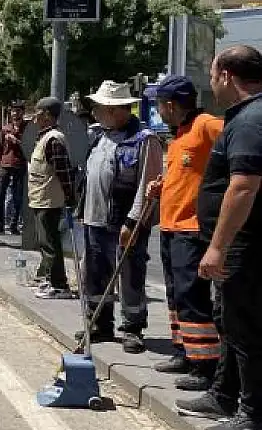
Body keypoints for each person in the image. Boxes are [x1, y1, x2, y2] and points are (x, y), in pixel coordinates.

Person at [175, 45, 262, 430]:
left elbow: (243, 187)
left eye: (212, 74)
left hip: (242, 244)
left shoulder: (250, 121)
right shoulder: (244, 117)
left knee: (245, 328)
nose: (210, 82)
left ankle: (253, 415)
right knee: (229, 321)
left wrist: (218, 247)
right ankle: (225, 395)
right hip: (235, 244)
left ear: (226, 75)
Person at [144, 76, 223, 392]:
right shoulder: (178, 135)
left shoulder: (205, 124)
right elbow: (187, 175)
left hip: (192, 230)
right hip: (171, 227)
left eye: (159, 104)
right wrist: (161, 187)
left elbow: (236, 148)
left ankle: (205, 366)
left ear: (170, 105)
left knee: (193, 298)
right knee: (176, 295)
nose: (158, 110)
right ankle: (183, 352)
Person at [75, 80, 162, 354]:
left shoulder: (144, 139)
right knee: (95, 273)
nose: (96, 112)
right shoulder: (98, 135)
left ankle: (132, 328)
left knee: (130, 274)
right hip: (94, 218)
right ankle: (100, 323)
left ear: (115, 109)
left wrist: (133, 221)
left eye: (100, 107)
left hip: (125, 221)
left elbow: (147, 185)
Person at [26, 97, 77, 299]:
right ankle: (49, 279)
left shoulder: (54, 140)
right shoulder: (45, 137)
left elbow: (64, 172)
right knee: (45, 242)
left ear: (47, 115)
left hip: (49, 200)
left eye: (37, 114)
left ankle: (59, 285)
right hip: (40, 198)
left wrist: (71, 198)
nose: (34, 118)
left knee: (50, 244)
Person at [0, 106, 28, 235]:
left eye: (18, 111)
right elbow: (0, 150)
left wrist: (17, 140)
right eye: (13, 111)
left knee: (18, 196)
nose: (15, 113)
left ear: (22, 112)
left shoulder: (28, 128)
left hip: (20, 165)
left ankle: (13, 225)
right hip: (5, 165)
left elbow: (30, 147)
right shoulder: (5, 129)